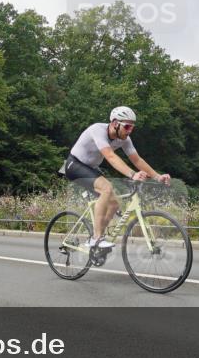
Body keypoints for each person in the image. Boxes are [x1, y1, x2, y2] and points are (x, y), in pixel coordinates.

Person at [62, 106, 170, 254]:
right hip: (74, 164)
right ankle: (97, 238)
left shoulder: (124, 139)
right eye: (127, 126)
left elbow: (137, 160)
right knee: (106, 188)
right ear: (114, 123)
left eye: (132, 127)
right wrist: (132, 174)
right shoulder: (97, 130)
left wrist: (157, 176)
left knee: (114, 203)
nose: (129, 130)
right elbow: (111, 157)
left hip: (91, 168)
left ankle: (97, 237)